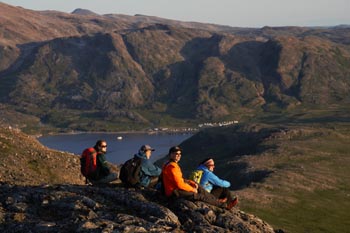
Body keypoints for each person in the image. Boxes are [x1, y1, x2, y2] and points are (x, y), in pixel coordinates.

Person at [161, 146, 237, 210]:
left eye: (179, 154)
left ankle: (217, 201)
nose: (178, 155)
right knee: (200, 196)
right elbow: (179, 184)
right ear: (170, 154)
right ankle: (225, 206)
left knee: (199, 187)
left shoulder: (167, 164)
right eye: (176, 154)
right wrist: (192, 189)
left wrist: (191, 183)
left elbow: (178, 179)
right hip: (174, 192)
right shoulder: (173, 167)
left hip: (173, 190)